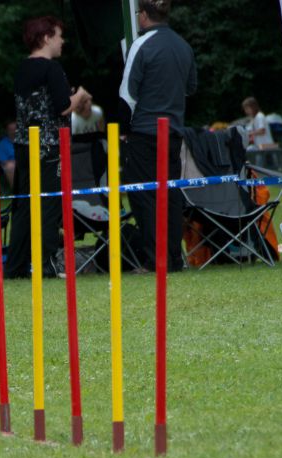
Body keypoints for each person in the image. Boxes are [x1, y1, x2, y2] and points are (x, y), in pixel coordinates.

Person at [5, 15, 91, 278]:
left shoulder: (22, 68)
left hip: (24, 144)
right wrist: (81, 95)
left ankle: (16, 266)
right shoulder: (51, 68)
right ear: (45, 38)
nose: (62, 40)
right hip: (50, 146)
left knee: (23, 204)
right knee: (50, 203)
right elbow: (63, 106)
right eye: (58, 35)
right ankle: (47, 263)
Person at [119, 0, 196, 273]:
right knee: (171, 194)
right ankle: (174, 257)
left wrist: (124, 131)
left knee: (143, 195)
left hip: (143, 131)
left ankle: (156, 259)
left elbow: (128, 95)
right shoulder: (184, 47)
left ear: (144, 16)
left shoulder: (140, 45)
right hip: (172, 132)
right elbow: (190, 88)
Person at [0, 120, 17, 187]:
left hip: (25, 163)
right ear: (7, 131)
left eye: (15, 129)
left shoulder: (24, 141)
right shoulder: (2, 144)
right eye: (11, 130)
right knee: (10, 166)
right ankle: (16, 190)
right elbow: (3, 161)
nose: (14, 131)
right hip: (11, 166)